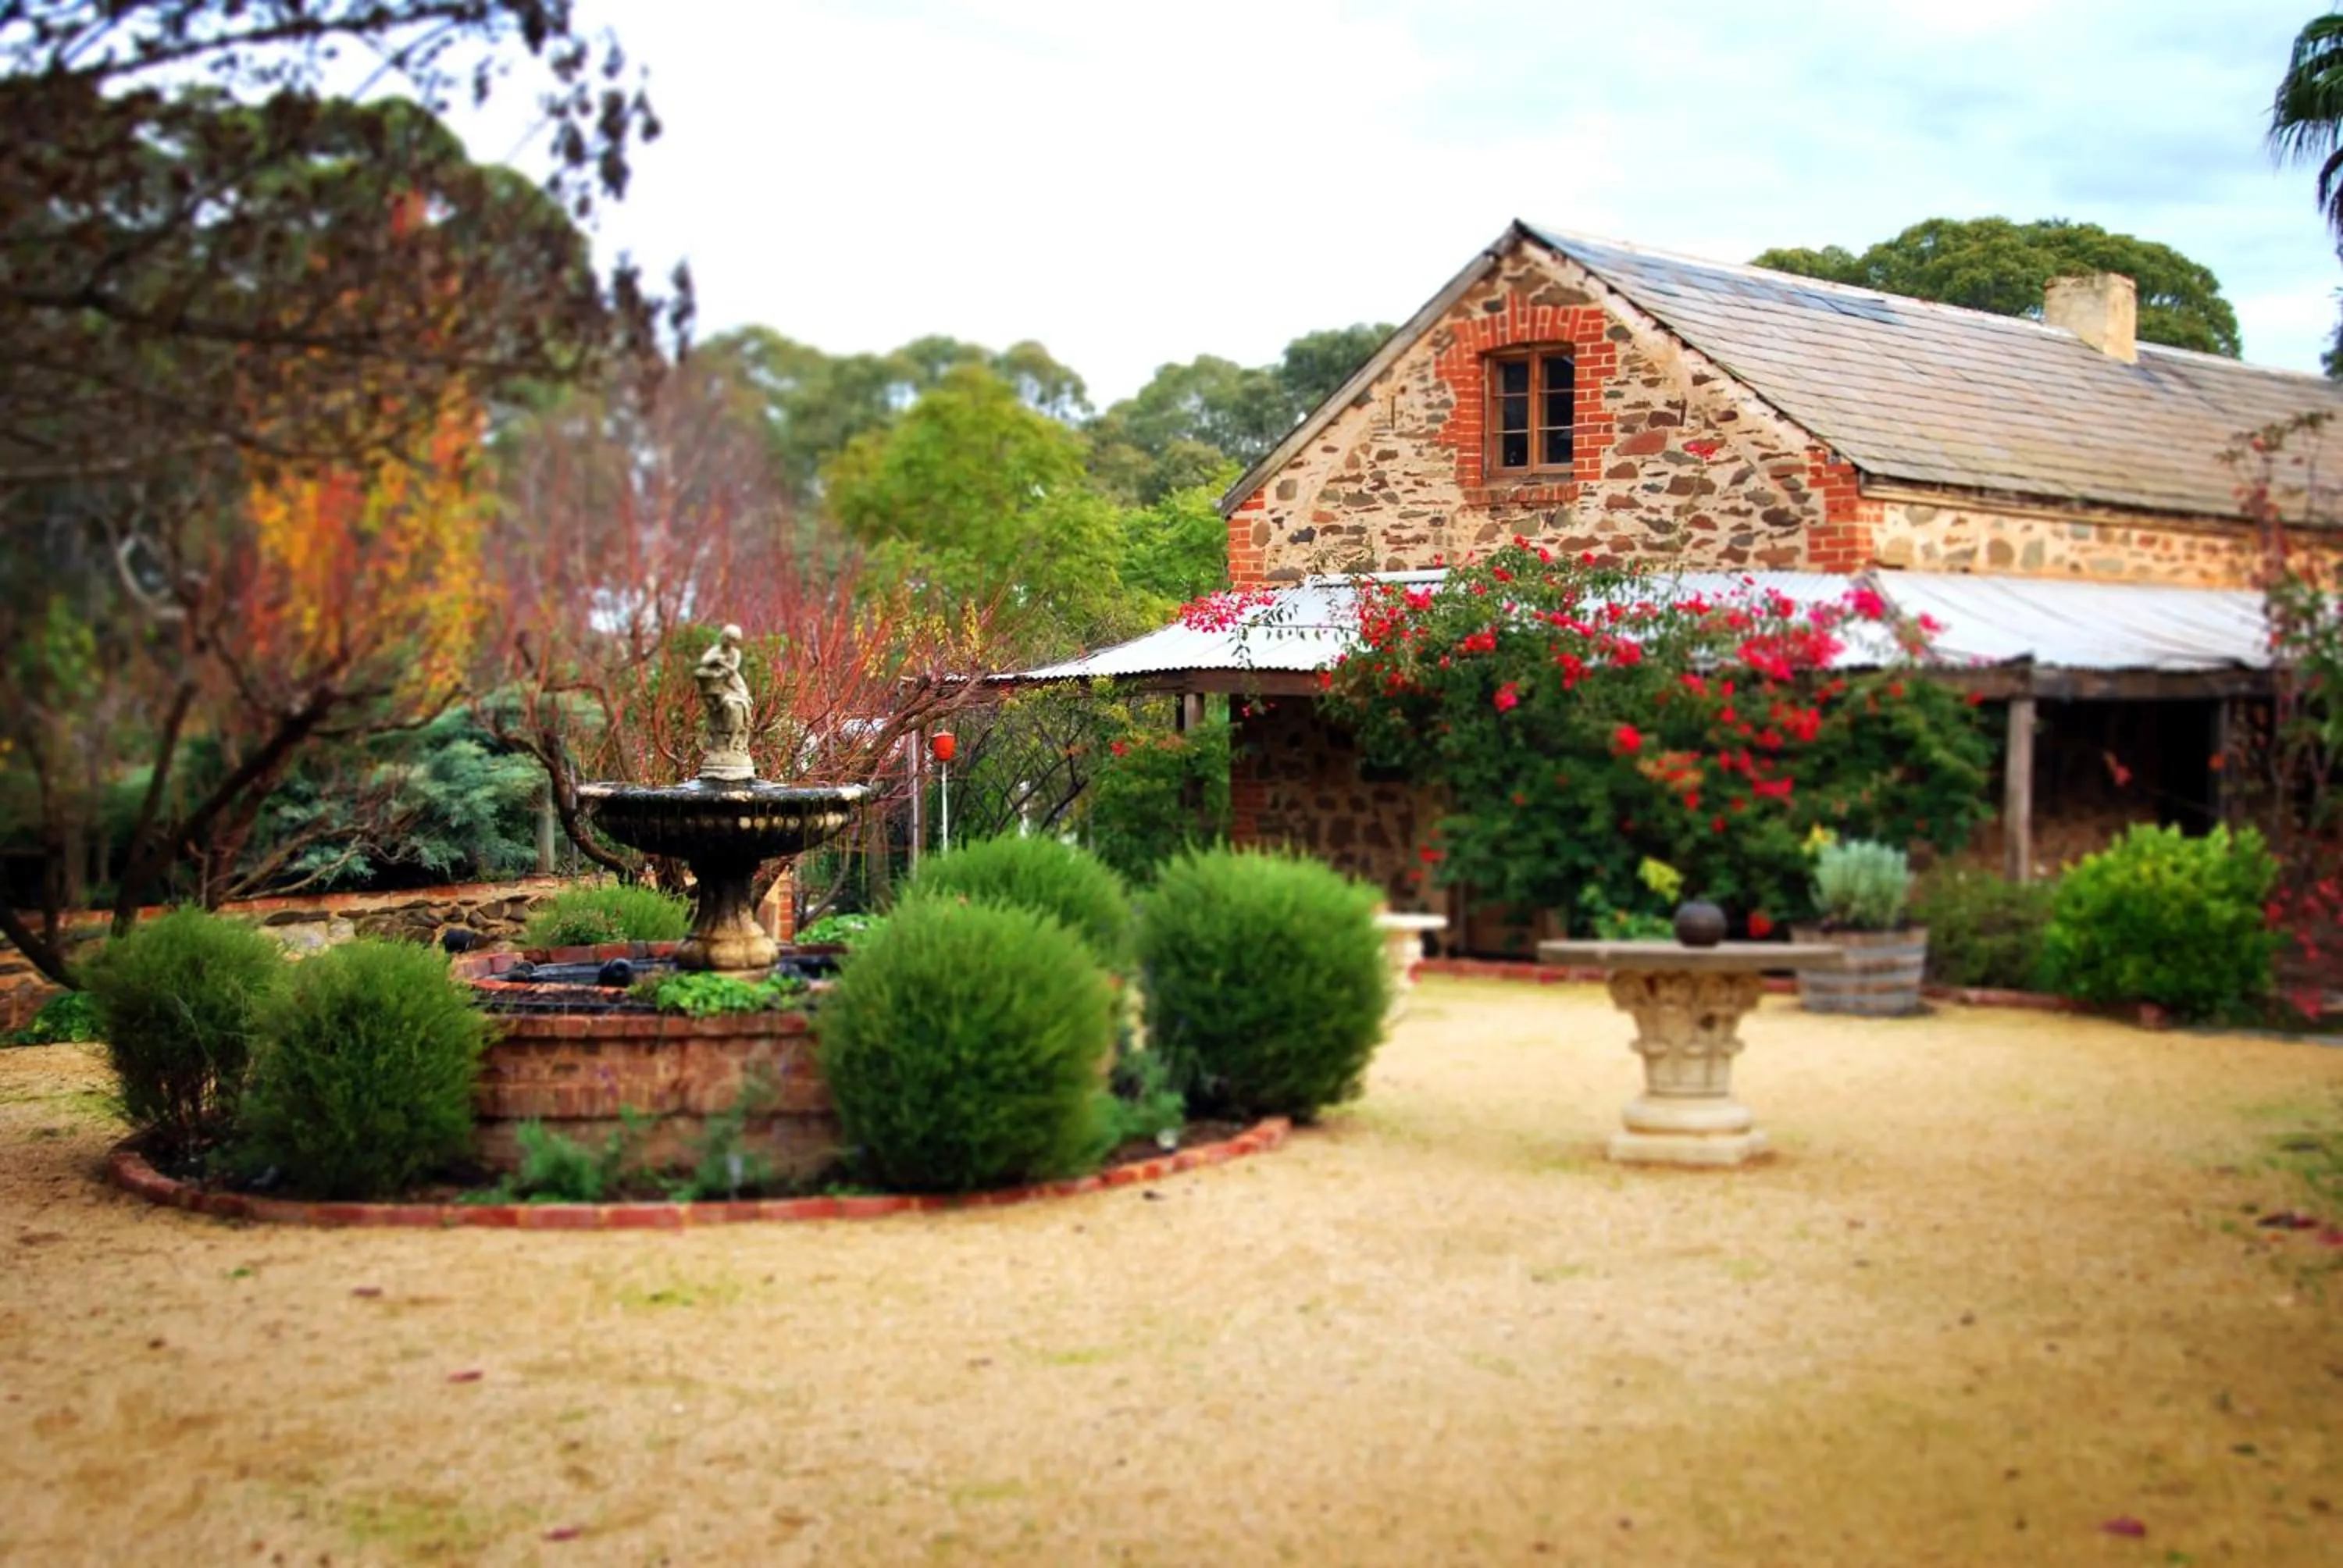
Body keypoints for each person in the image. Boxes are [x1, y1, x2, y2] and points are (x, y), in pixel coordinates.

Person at [694, 622, 753, 768]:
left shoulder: (735, 653)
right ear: (724, 637)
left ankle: (735, 744)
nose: (731, 643)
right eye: (729, 639)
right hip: (718, 686)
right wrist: (716, 659)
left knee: (742, 703)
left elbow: (733, 669)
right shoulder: (716, 650)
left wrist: (723, 664)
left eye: (734, 641)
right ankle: (723, 743)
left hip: (733, 683)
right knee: (729, 706)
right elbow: (704, 662)